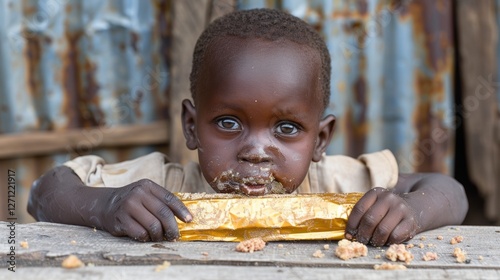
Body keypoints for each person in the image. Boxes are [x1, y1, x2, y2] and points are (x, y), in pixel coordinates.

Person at [27, 8, 468, 247]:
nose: (256, 151)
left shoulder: (335, 181)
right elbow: (45, 190)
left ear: (321, 140)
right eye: (229, 122)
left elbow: (449, 190)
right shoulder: (161, 185)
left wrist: (414, 211)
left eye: (288, 129)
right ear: (191, 126)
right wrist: (105, 208)